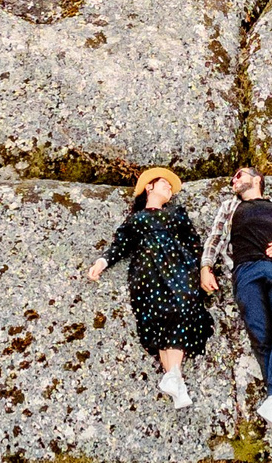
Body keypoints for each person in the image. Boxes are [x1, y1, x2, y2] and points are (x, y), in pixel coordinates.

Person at [86, 166, 213, 409]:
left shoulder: (176, 213)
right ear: (149, 187)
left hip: (179, 267)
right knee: (157, 319)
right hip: (147, 271)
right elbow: (120, 245)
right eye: (164, 183)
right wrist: (101, 262)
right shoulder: (135, 219)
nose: (169, 188)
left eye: (170, 187)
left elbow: (193, 242)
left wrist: (204, 269)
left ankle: (174, 378)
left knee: (182, 309)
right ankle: (176, 382)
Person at [200, 165, 272, 436]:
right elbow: (215, 239)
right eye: (232, 178)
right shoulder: (229, 207)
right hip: (245, 270)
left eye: (239, 175)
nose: (234, 180)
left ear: (257, 179)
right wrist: (206, 267)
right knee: (259, 333)